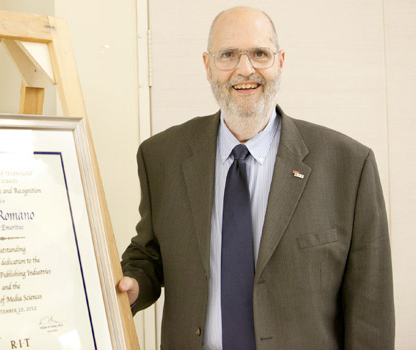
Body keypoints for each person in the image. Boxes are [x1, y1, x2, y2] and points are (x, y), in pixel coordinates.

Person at [119, 6, 395, 350]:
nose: (244, 69)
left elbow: (371, 310)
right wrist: (134, 283)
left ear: (281, 61)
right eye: (228, 55)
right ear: (208, 66)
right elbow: (151, 253)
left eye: (260, 54)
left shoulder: (350, 166)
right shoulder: (161, 156)